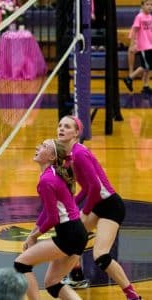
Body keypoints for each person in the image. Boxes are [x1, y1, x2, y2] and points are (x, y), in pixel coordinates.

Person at [57, 115, 142, 300]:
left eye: (67, 126)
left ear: (76, 133)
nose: (61, 129)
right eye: (60, 125)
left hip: (111, 206)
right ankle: (77, 276)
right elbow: (87, 188)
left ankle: (132, 295)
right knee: (70, 236)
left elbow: (95, 188)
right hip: (98, 203)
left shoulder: (79, 154)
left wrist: (85, 211)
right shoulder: (69, 156)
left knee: (101, 256)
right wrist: (73, 205)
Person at [14, 138, 88, 300]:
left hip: (69, 234)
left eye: (44, 146)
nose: (37, 147)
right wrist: (33, 233)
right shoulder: (54, 174)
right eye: (40, 144)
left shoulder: (46, 180)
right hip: (78, 233)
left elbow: (53, 218)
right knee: (53, 283)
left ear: (52, 157)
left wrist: (34, 236)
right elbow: (48, 212)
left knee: (21, 264)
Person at [123, 0, 152, 93]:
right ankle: (129, 78)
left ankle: (146, 86)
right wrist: (132, 43)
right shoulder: (139, 17)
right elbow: (135, 30)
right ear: (142, 6)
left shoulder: (150, 17)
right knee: (146, 66)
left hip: (150, 44)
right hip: (143, 45)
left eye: (151, 5)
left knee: (148, 67)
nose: (150, 7)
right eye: (147, 4)